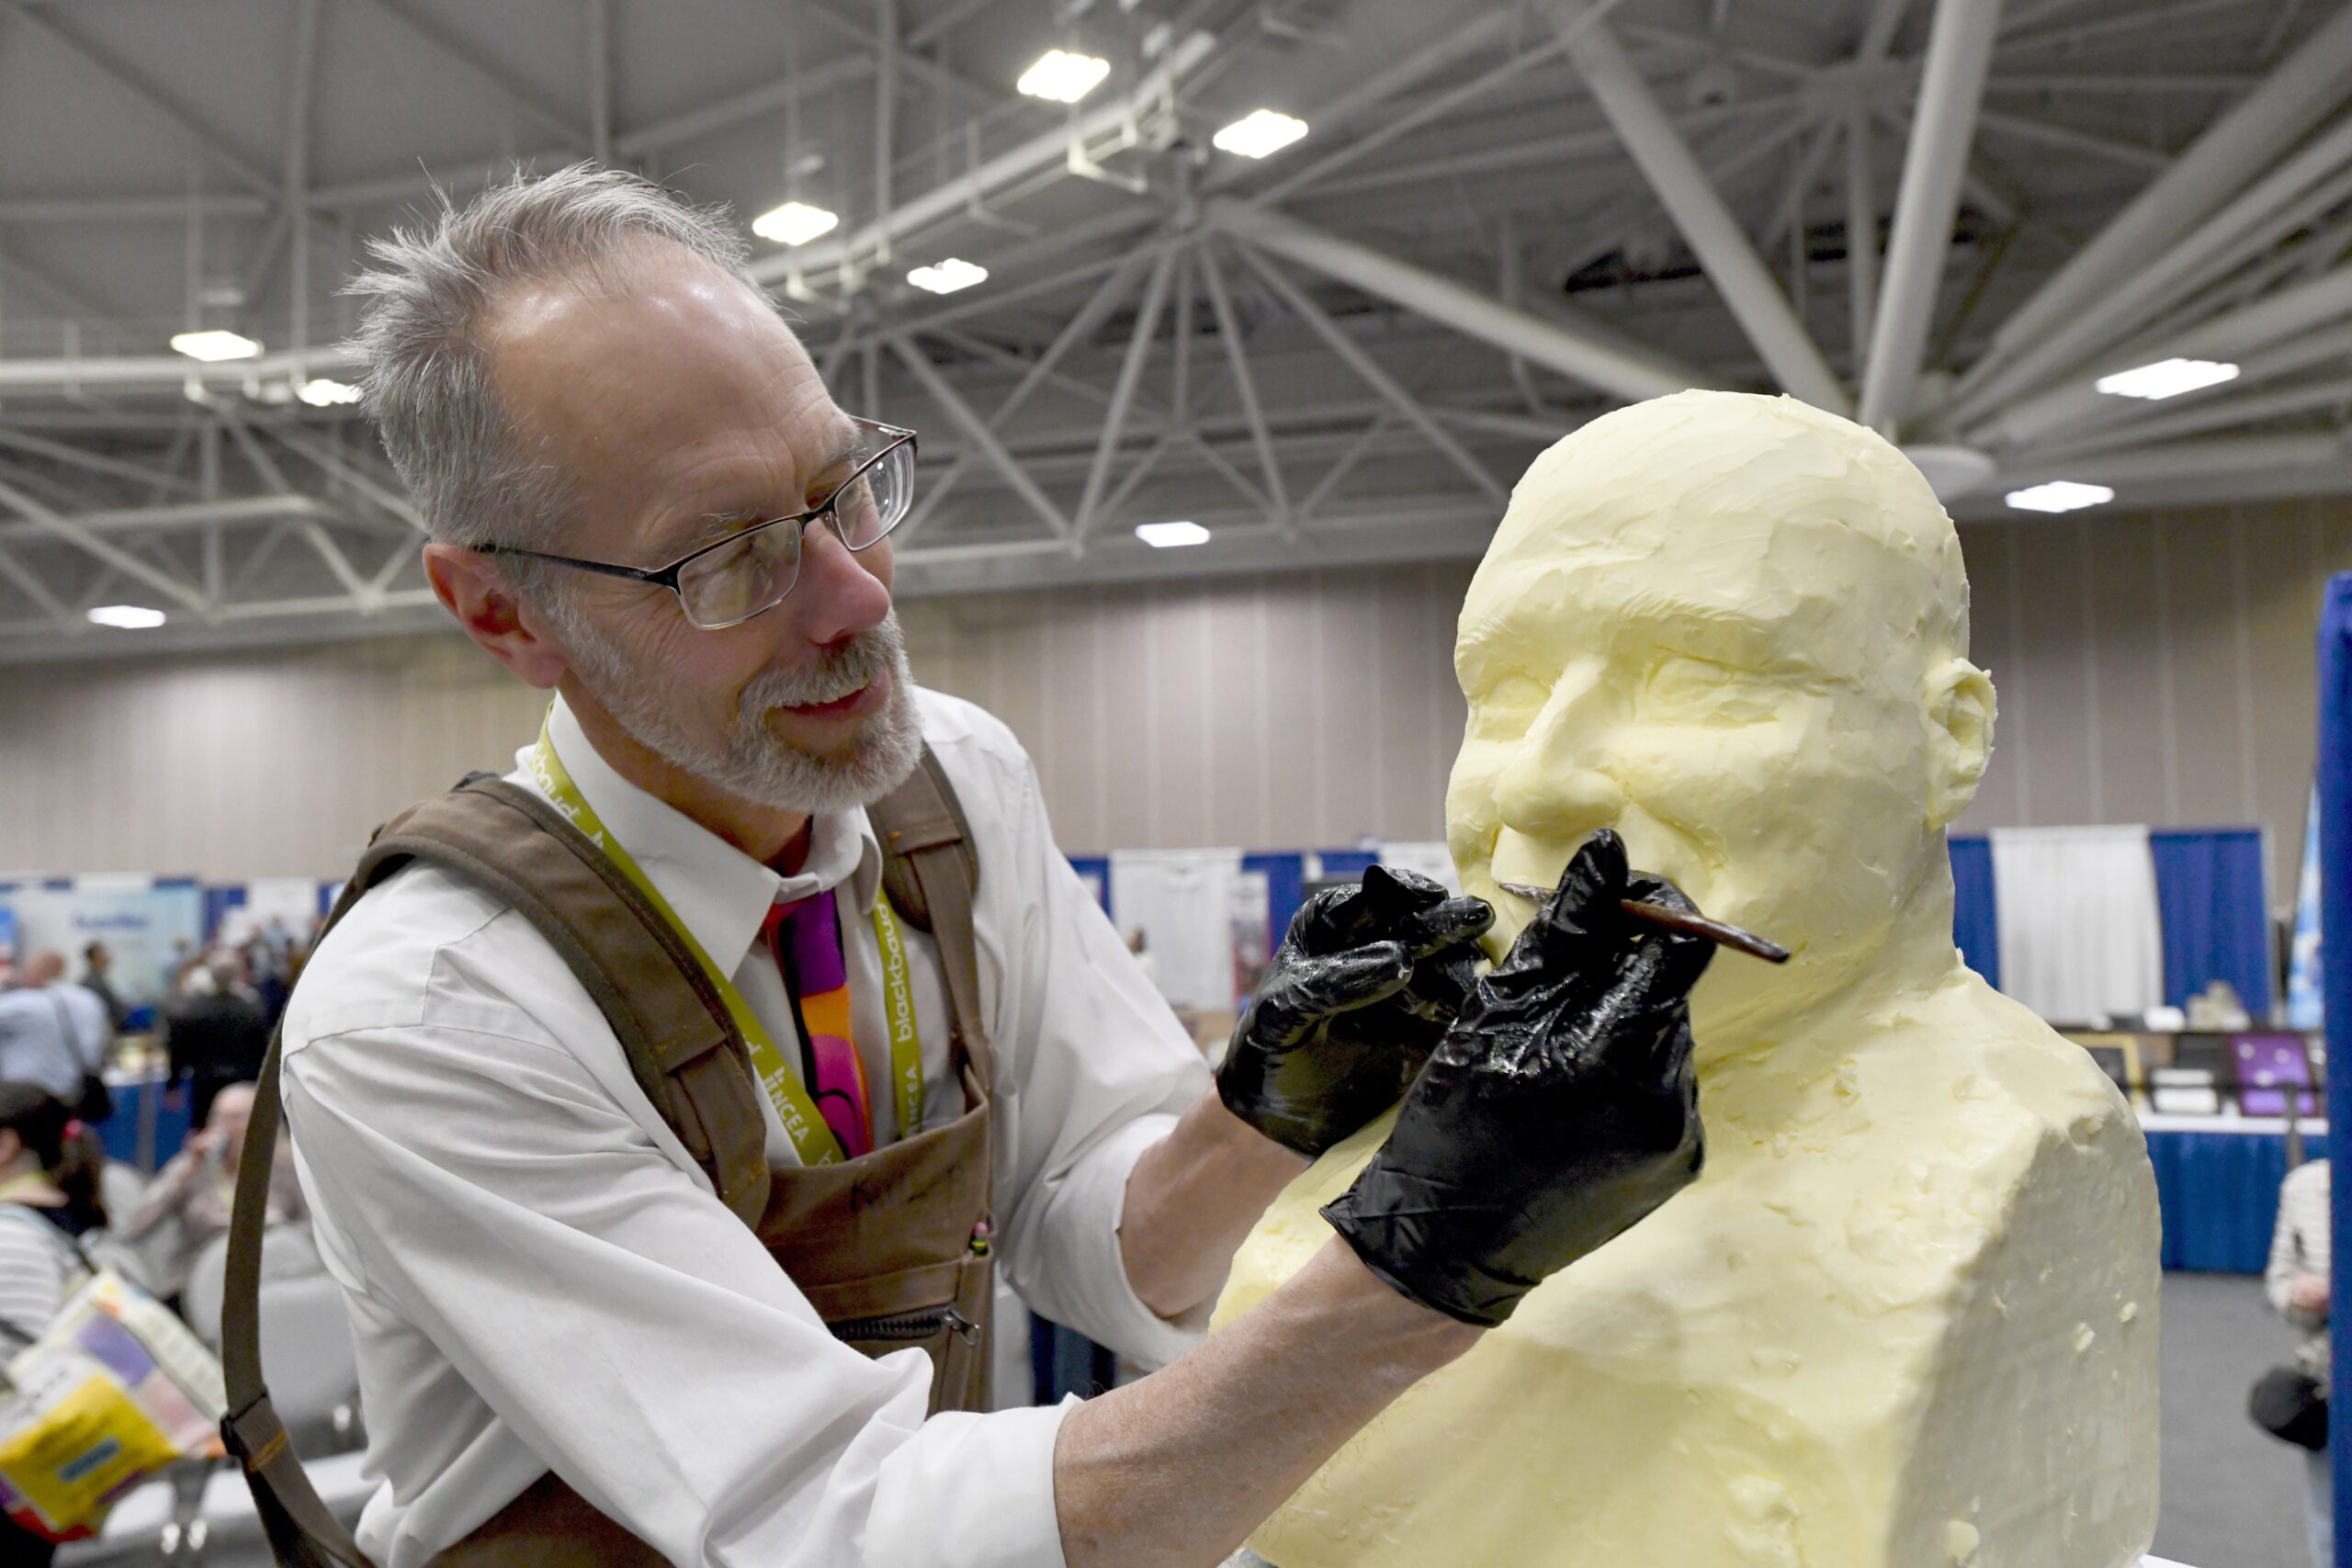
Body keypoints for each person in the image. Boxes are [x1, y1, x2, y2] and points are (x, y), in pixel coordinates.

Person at [268, 164, 1713, 1568]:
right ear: (502, 612)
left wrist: (1266, 1108)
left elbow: (1092, 1232)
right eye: (725, 556)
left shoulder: (949, 783)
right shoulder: (435, 1015)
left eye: (843, 488)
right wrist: (1432, 1255)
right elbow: (831, 1521)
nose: (855, 593)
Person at [0, 1081, 108, 1567]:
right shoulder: (62, 1220)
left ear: (6, 1145)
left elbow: (13, 1368)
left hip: (17, 1481)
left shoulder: (11, 1235)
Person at [116, 1083, 306, 1302]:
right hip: (195, 1282)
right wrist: (186, 1170)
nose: (227, 1128)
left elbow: (313, 1229)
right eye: (219, 1118)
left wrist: (281, 1229)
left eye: (236, 1118)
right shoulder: (194, 1166)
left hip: (271, 1278)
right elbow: (135, 1227)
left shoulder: (287, 1165)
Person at [2270, 1156, 2333, 1568]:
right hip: (2331, 1379)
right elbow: (2279, 1282)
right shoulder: (2305, 1187)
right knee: (2329, 1520)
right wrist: (2298, 1296)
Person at [159, 964, 270, 1126]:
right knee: (244, 1127)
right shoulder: (251, 1010)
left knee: (205, 1128)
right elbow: (262, 1050)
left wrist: (173, 1085)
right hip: (243, 1079)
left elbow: (178, 1051)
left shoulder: (193, 1011)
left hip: (206, 1083)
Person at [20, 951, 112, 1120]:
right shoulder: (86, 998)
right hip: (81, 1085)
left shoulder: (27, 1003)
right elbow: (103, 1038)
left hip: (45, 1093)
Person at [80, 942, 126, 1031]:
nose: (108, 957)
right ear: (96, 957)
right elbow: (110, 1011)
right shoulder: (93, 983)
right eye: (104, 954)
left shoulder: (98, 979)